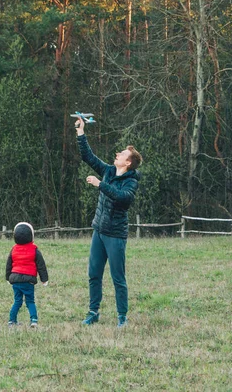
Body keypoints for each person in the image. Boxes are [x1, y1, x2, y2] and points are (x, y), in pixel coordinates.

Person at [75, 116, 142, 328]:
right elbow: (88, 157)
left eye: (121, 154)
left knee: (118, 278)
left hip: (115, 235)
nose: (117, 154)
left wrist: (99, 185)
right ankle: (93, 312)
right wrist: (81, 132)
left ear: (128, 162)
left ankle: (122, 316)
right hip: (99, 231)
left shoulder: (131, 181)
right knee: (94, 274)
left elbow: (122, 198)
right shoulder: (109, 171)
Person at [5, 222, 49, 328]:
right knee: (30, 301)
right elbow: (41, 265)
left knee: (17, 301)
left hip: (15, 280)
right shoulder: (34, 250)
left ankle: (12, 321)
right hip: (28, 280)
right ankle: (33, 320)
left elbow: (8, 264)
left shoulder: (13, 249)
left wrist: (7, 277)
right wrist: (44, 279)